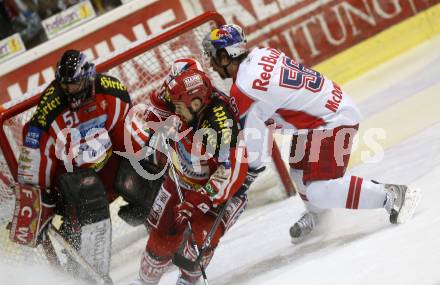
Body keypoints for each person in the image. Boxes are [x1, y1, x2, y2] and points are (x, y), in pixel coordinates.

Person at [202, 24, 421, 244]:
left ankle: (391, 196)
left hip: (331, 121)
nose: (210, 64)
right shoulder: (263, 53)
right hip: (324, 111)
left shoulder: (243, 90)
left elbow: (257, 154)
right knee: (298, 170)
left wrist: (242, 177)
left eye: (212, 56)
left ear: (224, 56)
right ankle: (320, 215)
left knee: (318, 189)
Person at [10, 49, 159, 281]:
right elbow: (36, 164)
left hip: (109, 168)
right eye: (66, 85)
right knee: (89, 192)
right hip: (73, 185)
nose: (71, 90)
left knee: (146, 177)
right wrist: (36, 202)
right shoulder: (47, 114)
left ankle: (166, 238)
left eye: (76, 83)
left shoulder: (111, 92)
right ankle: (88, 276)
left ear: (88, 76)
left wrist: (152, 159)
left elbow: (126, 133)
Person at [131, 66, 249, 285]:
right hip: (181, 180)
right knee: (160, 238)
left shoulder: (219, 124)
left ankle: (187, 281)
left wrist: (199, 201)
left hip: (221, 192)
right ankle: (143, 282)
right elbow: (157, 104)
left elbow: (233, 171)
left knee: (199, 244)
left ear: (195, 103)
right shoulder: (188, 99)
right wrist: (156, 121)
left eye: (178, 107)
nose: (175, 112)